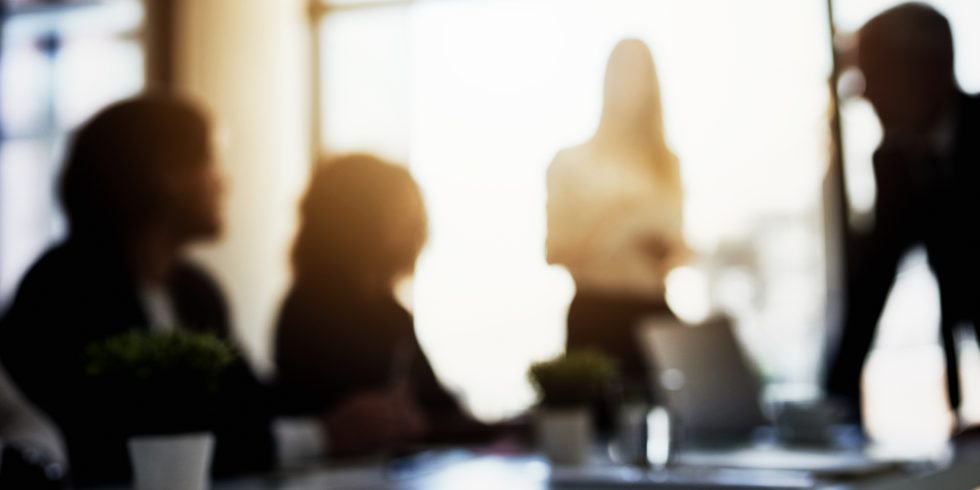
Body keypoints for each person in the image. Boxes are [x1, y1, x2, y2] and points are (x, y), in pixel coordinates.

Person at [0, 95, 420, 486]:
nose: (225, 180)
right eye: (213, 160)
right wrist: (321, 434)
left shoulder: (196, 290)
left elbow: (246, 406)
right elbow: (122, 441)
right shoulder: (63, 290)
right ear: (167, 173)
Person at [825, 4, 980, 423]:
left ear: (927, 70)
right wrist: (829, 405)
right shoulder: (893, 160)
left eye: (875, 74)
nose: (865, 93)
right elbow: (872, 283)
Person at [276, 155, 483, 442]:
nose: (418, 226)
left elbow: (438, 408)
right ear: (360, 219)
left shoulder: (392, 315)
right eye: (403, 212)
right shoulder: (309, 313)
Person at [545, 39, 687, 395]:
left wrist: (666, 249)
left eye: (638, 73)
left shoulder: (667, 165)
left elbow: (677, 255)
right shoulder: (572, 162)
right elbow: (554, 252)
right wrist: (619, 222)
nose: (629, 84)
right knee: (595, 423)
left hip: (654, 313)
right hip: (596, 315)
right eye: (622, 71)